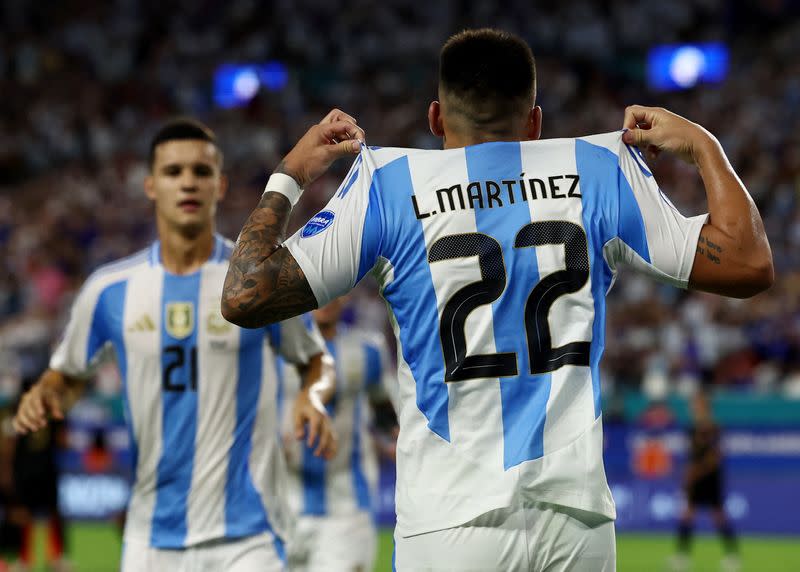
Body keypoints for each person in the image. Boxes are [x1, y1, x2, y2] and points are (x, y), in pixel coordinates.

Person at [221, 29, 773, 571]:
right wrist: (702, 144)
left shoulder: (388, 185)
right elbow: (748, 263)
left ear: (436, 118)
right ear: (535, 121)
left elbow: (244, 296)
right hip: (574, 520)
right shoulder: (600, 168)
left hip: (449, 520)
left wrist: (291, 173)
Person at [13, 118, 337, 572]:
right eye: (173, 171)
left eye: (200, 172)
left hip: (249, 539)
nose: (188, 181)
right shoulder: (109, 290)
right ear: (150, 185)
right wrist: (47, 394)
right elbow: (66, 375)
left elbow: (316, 359)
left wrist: (312, 397)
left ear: (220, 185)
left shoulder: (256, 281)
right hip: (150, 539)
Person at [279, 297, 397, 572]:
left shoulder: (368, 351)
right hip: (281, 507)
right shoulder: (275, 348)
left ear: (349, 291)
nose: (325, 297)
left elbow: (386, 418)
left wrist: (392, 439)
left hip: (346, 511)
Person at [672, 393, 739, 572]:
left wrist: (695, 472)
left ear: (705, 407)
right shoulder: (691, 429)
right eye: (693, 406)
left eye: (697, 405)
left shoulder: (714, 428)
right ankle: (682, 557)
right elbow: (692, 455)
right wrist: (688, 473)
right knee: (687, 515)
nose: (694, 409)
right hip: (695, 479)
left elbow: (715, 456)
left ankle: (732, 556)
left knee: (718, 515)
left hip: (710, 478)